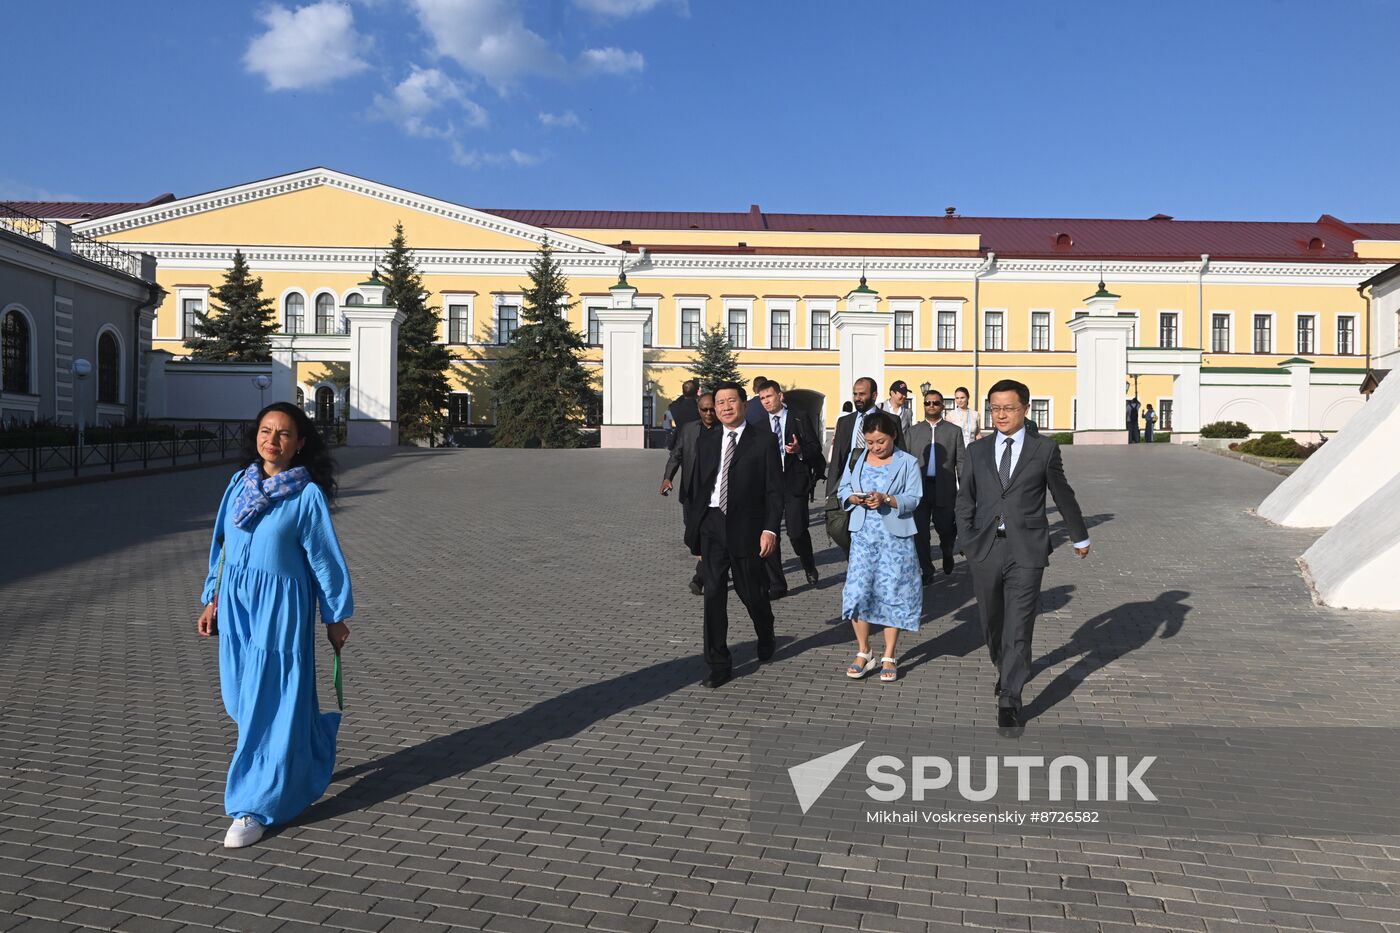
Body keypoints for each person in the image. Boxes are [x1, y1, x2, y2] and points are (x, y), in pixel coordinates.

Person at [196, 402, 353, 848]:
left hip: (282, 608)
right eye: (266, 431)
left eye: (284, 433)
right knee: (242, 698)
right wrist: (213, 598)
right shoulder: (239, 484)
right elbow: (222, 545)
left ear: (300, 443)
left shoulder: (306, 496)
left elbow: (324, 558)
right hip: (237, 605)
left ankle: (254, 806)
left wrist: (335, 616)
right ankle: (310, 750)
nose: (273, 440)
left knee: (267, 701)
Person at [956, 380, 1090, 731]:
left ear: (1025, 410)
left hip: (1027, 548)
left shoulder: (1043, 450)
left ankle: (1010, 698)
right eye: (995, 408)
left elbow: (1063, 494)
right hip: (985, 547)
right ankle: (1005, 666)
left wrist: (1079, 535)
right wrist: (967, 539)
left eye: (1009, 408)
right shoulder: (977, 451)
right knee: (992, 619)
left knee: (1019, 621)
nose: (1001, 414)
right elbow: (965, 499)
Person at [684, 382, 782, 688]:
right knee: (713, 594)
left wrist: (769, 529)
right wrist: (696, 529)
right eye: (720, 403)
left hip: (746, 527)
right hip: (713, 524)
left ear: (744, 404)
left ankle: (765, 631)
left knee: (750, 591)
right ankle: (718, 663)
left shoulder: (762, 441)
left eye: (731, 401)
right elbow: (700, 486)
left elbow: (774, 491)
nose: (725, 407)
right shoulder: (708, 440)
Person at [837, 410, 923, 683]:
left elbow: (914, 498)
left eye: (881, 442)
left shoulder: (907, 462)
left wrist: (888, 498)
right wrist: (853, 497)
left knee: (892, 594)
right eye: (871, 442)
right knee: (857, 593)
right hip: (863, 536)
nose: (875, 447)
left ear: (893, 436)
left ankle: (889, 654)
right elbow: (842, 489)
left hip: (894, 540)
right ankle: (864, 651)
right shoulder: (857, 458)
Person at [756, 380, 821, 595]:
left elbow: (815, 448)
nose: (766, 401)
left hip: (794, 482)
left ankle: (808, 563)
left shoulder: (799, 417)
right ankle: (777, 584)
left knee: (796, 531)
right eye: (762, 398)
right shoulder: (758, 424)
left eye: (769, 396)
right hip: (768, 486)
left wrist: (800, 449)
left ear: (780, 396)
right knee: (770, 532)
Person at [905, 389, 964, 585]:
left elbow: (961, 462)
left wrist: (965, 489)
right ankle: (927, 570)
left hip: (945, 489)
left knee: (946, 529)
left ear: (942, 405)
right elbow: (904, 462)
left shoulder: (954, 432)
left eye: (936, 403)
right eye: (928, 403)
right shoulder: (913, 432)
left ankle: (947, 551)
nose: (931, 406)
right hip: (919, 490)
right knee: (920, 534)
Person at [662, 392, 717, 594]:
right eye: (705, 409)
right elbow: (676, 455)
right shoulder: (688, 430)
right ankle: (708, 566)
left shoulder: (725, 431)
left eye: (712, 409)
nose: (709, 413)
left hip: (715, 496)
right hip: (692, 493)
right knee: (692, 535)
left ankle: (700, 577)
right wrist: (667, 478)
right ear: (698, 410)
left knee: (709, 534)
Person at [665, 379, 701, 450]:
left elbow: (673, 403)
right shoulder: (699, 408)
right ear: (696, 392)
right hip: (696, 443)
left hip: (679, 443)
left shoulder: (675, 407)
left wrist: (685, 393)